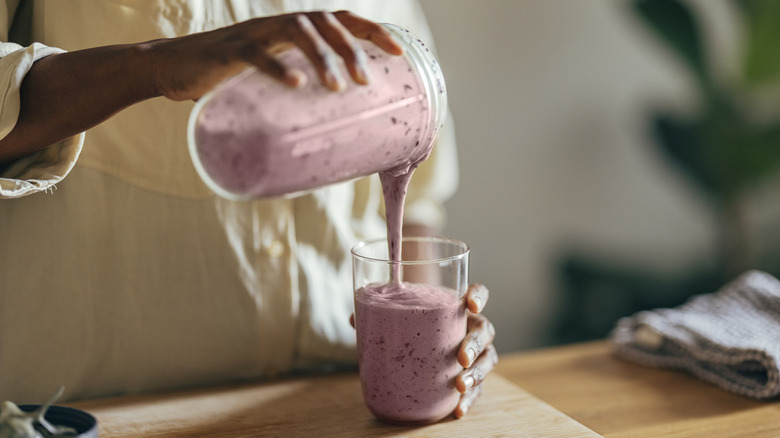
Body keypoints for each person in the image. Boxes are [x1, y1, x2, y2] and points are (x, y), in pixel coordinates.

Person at [0, 1, 497, 419]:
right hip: (94, 415)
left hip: (334, 409)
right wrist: (154, 64)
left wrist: (434, 344)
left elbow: (419, 193)